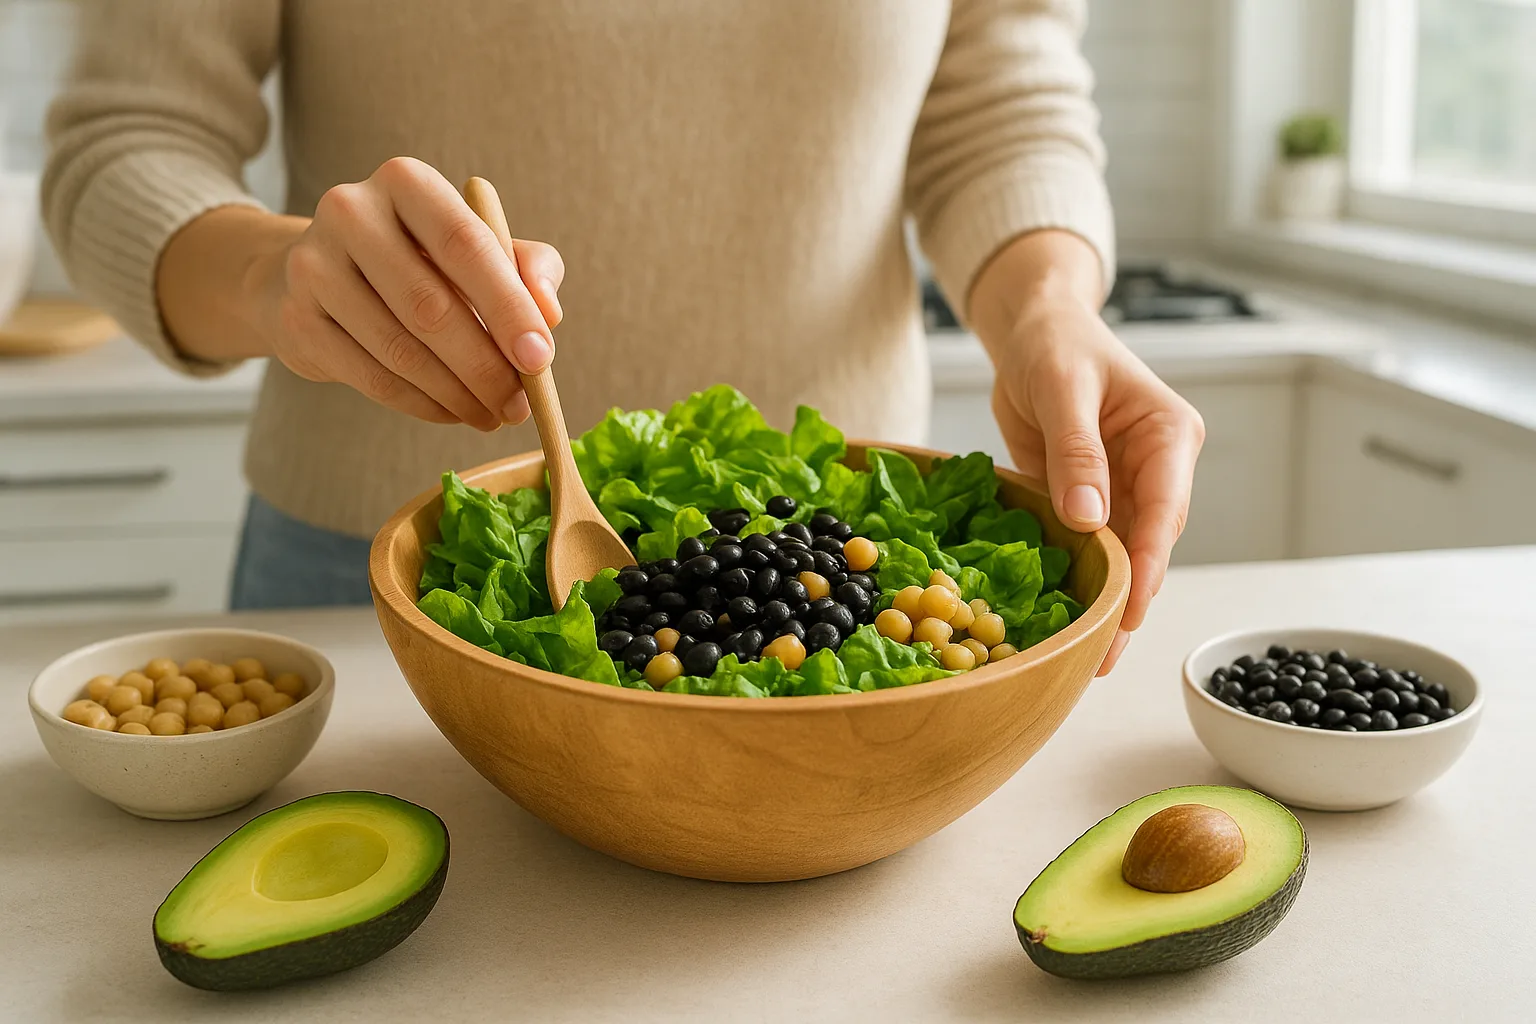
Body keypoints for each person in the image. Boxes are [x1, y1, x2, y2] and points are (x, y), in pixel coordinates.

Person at [42, 1, 1201, 674]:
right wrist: (268, 272)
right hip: (385, 567)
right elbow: (126, 139)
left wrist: (1048, 301)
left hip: (852, 555)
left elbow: (1000, 102)